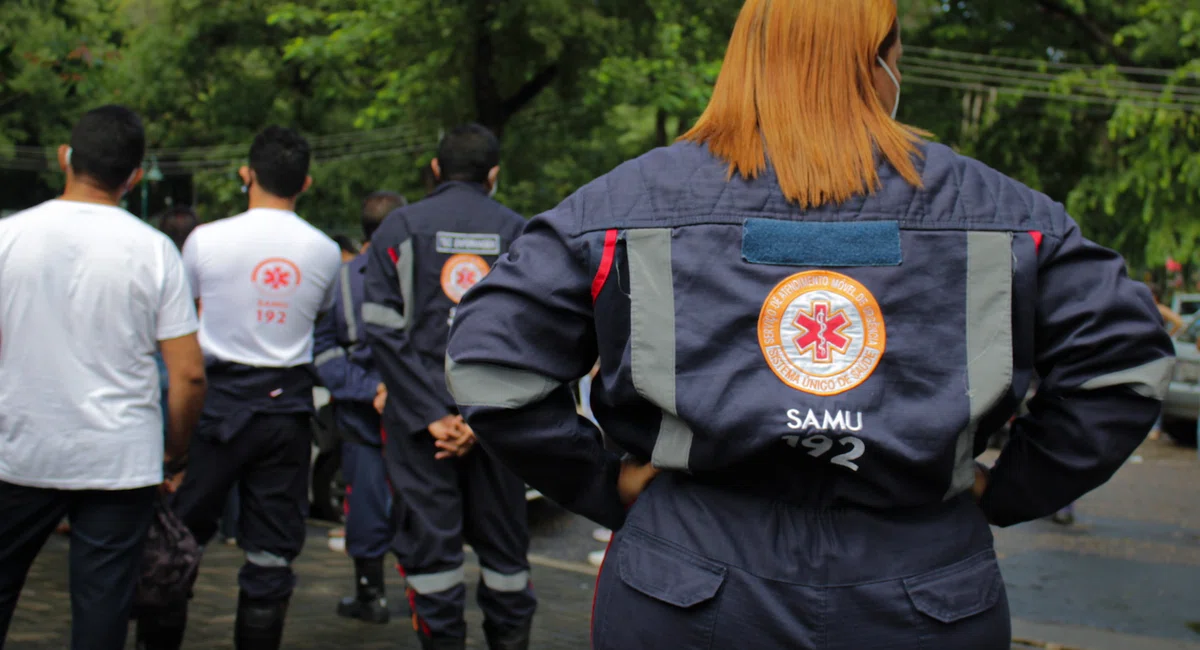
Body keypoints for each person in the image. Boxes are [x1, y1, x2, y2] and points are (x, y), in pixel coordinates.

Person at [443, 2, 1176, 648]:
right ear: (883, 61)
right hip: (926, 593)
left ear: (743, 62)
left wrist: (610, 484)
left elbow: (491, 363)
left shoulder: (623, 205)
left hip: (685, 587)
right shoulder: (1006, 216)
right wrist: (1008, 488)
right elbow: (1125, 368)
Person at [0, 105, 207, 650]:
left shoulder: (8, 237)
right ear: (134, 175)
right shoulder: (154, 250)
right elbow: (187, 375)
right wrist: (175, 454)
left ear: (65, 158)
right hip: (120, 460)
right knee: (102, 613)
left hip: (19, 449)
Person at [135, 125, 343, 650]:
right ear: (306, 183)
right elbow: (321, 319)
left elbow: (183, 316)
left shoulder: (206, 240)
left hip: (216, 407)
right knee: (272, 553)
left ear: (246, 174)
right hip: (287, 412)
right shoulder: (322, 251)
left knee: (178, 539)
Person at [363, 124, 536, 650]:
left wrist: (434, 413)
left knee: (433, 563)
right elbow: (536, 335)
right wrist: (480, 419)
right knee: (506, 561)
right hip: (498, 430)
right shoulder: (522, 233)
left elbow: (381, 328)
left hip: (422, 434)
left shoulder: (399, 228)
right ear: (494, 175)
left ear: (435, 170)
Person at [314, 190, 408, 623]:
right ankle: (421, 597)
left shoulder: (341, 280)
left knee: (367, 505)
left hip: (364, 417)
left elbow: (323, 350)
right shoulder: (424, 272)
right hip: (411, 418)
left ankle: (371, 596)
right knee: (415, 506)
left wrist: (370, 388)